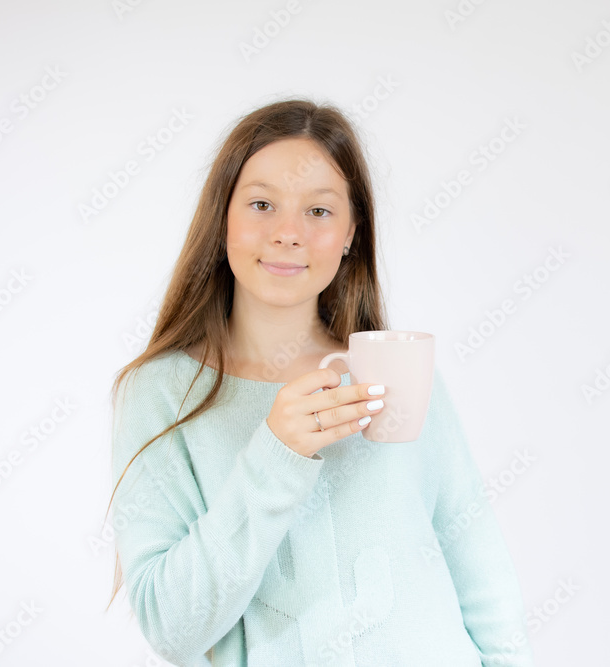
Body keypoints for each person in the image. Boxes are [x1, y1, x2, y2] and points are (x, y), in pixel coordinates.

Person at [104, 98, 534, 666]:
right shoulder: (160, 392)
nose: (288, 233)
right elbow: (171, 627)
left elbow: (480, 570)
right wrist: (276, 454)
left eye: (319, 211)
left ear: (352, 232)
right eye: (262, 204)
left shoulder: (394, 368)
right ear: (222, 219)